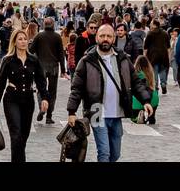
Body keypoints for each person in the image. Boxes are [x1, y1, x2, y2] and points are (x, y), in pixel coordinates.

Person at [66, 23, 154, 163]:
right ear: (97, 38)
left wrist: (146, 101)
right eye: (102, 36)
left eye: (108, 36)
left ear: (113, 39)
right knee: (104, 153)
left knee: (115, 154)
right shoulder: (87, 60)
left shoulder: (123, 58)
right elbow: (76, 88)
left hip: (117, 112)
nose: (105, 39)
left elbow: (136, 82)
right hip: (96, 111)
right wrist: (71, 111)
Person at [0, 29, 47, 161]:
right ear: (14, 42)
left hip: (28, 99)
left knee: (23, 136)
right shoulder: (8, 60)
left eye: (25, 39)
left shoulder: (33, 60)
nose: (23, 42)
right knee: (16, 135)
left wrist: (44, 98)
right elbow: (1, 83)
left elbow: (41, 81)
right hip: (11, 99)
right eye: (20, 39)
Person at [30, 17, 64, 123]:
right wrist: (63, 69)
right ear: (53, 24)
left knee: (41, 89)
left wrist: (31, 43)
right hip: (54, 67)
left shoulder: (39, 36)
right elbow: (61, 54)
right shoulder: (57, 37)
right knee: (52, 92)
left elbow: (31, 50)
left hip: (41, 66)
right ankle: (49, 116)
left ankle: (42, 107)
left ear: (44, 25)